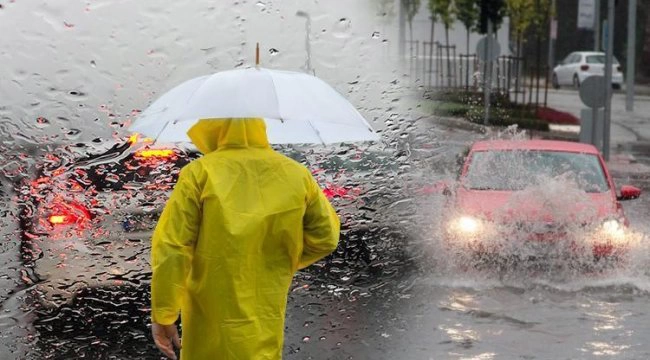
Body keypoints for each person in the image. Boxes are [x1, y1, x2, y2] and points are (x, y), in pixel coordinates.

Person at [150, 118, 340, 359]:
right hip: (267, 310)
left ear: (214, 127)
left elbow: (173, 247)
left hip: (208, 315)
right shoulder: (296, 174)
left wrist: (164, 315)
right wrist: (278, 261)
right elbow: (327, 237)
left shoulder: (200, 172)